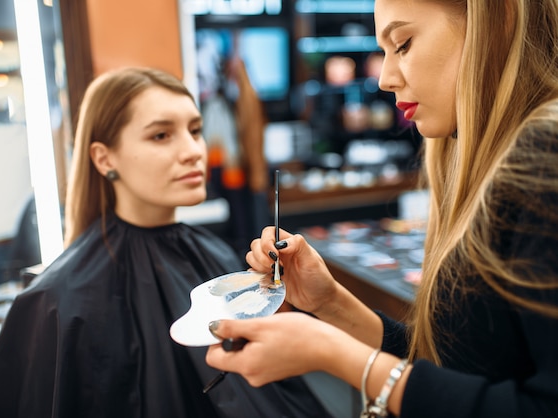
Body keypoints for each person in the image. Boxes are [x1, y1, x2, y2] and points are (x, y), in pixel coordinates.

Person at [206, 1, 558, 417]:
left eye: (403, 44)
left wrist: (336, 354)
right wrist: (330, 303)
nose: (386, 79)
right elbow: (455, 369)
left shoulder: (542, 161)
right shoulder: (478, 160)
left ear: (495, 21)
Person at [0, 67, 333, 417]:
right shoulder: (55, 300)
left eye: (195, 130)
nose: (193, 150)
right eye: (161, 135)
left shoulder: (219, 254)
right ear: (104, 158)